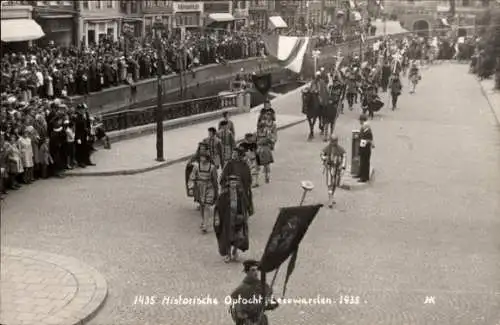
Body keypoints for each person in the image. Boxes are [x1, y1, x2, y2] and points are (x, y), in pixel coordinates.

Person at [214, 174, 251, 263]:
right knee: (227, 237)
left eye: (235, 182)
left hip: (238, 219)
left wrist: (245, 215)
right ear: (229, 183)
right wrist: (217, 219)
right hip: (227, 220)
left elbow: (245, 205)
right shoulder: (224, 194)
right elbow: (218, 207)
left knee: (239, 237)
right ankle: (228, 254)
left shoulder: (241, 193)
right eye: (232, 182)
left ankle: (235, 251)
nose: (233, 184)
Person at [230, 259, 279, 325]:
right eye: (253, 270)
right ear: (247, 272)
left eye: (257, 270)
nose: (256, 272)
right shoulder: (241, 289)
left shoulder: (263, 286)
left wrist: (269, 303)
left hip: (260, 319)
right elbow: (235, 309)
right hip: (246, 322)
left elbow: (273, 303)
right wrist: (243, 316)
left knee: (263, 319)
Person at [189, 151, 218, 233]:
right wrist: (191, 188)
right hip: (200, 188)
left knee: (207, 206)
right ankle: (203, 220)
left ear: (207, 158)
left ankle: (205, 224)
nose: (202, 159)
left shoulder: (212, 168)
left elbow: (215, 180)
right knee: (202, 206)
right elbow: (192, 177)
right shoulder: (196, 167)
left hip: (209, 188)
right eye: (201, 157)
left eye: (204, 157)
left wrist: (216, 191)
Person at [321, 135, 347, 207]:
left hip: (337, 169)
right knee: (329, 183)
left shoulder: (340, 149)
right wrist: (324, 158)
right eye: (332, 141)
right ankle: (330, 199)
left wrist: (343, 166)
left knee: (335, 184)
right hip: (329, 167)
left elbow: (344, 156)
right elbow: (322, 154)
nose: (333, 143)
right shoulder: (327, 148)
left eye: (335, 141)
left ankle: (331, 196)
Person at [357, 114, 374, 183]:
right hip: (364, 147)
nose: (359, 122)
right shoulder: (365, 128)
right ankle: (361, 174)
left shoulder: (366, 129)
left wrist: (361, 147)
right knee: (362, 161)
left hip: (365, 148)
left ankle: (364, 177)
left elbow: (366, 139)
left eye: (360, 120)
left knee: (364, 162)